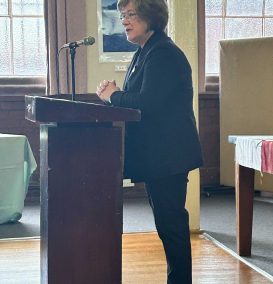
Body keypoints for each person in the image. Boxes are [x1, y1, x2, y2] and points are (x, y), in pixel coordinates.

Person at [96, 0, 203, 283]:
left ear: (151, 17)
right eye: (122, 15)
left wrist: (113, 96)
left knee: (172, 225)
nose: (124, 20)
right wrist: (115, 95)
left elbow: (147, 103)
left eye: (131, 14)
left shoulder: (164, 53)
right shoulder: (145, 52)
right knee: (168, 224)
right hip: (159, 155)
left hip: (169, 155)